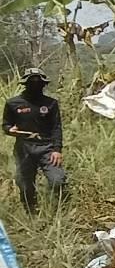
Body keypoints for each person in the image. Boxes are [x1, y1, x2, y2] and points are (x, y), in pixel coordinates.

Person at [4, 69, 67, 213]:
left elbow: (56, 127)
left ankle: (59, 209)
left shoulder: (51, 103)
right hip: (24, 148)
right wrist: (10, 130)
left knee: (57, 180)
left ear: (43, 84)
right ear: (25, 84)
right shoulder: (13, 103)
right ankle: (31, 210)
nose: (35, 84)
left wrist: (57, 150)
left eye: (38, 82)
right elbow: (6, 125)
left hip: (47, 147)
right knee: (24, 183)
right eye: (31, 82)